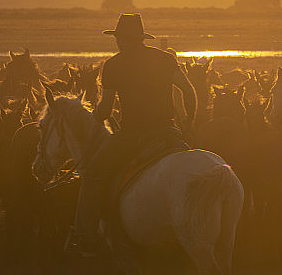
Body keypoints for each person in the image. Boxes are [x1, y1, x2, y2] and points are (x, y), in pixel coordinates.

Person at [64, 13, 197, 256]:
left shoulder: (113, 65)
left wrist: (95, 117)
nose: (116, 42)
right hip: (168, 133)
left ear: (122, 39)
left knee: (93, 175)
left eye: (117, 38)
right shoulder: (165, 59)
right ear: (141, 37)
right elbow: (189, 91)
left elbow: (104, 108)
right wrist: (189, 123)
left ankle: (85, 238)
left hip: (132, 137)